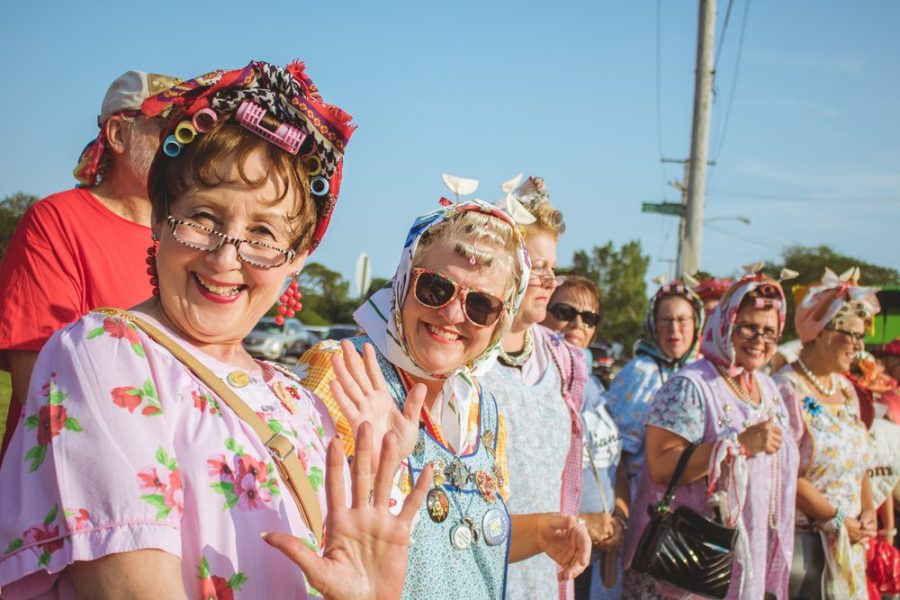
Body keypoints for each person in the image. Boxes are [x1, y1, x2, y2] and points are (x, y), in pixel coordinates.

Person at [0, 60, 433, 599]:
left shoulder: (301, 403)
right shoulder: (106, 351)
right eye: (203, 218)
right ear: (160, 220)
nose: (227, 255)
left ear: (298, 257)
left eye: (264, 233)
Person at [298, 194, 591, 599]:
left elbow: (464, 542)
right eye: (435, 288)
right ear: (403, 279)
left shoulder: (483, 410)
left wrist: (539, 532)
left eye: (481, 304)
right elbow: (305, 528)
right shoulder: (346, 369)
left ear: (500, 321)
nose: (453, 315)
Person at [0, 70, 181, 460]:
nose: (182, 149)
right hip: (63, 484)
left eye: (190, 134)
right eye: (168, 130)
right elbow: (38, 382)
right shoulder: (55, 220)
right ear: (118, 134)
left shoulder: (185, 237)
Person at [621, 271, 799, 599]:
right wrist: (738, 445)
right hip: (684, 565)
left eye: (769, 331)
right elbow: (661, 465)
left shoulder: (768, 388)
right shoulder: (690, 385)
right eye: (748, 327)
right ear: (726, 322)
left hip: (741, 558)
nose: (759, 339)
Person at [477, 175, 591, 600]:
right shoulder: (466, 355)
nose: (549, 280)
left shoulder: (566, 362)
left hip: (542, 577)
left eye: (552, 269)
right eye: (536, 266)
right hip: (477, 569)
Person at [775, 267, 881, 598]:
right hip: (803, 548)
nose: (858, 347)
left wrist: (868, 510)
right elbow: (786, 472)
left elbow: (858, 459)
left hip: (847, 545)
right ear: (819, 332)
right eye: (850, 334)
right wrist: (835, 518)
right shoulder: (786, 389)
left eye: (861, 336)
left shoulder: (846, 390)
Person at [543, 275, 629, 600]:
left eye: (590, 317)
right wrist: (578, 521)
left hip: (598, 558)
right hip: (552, 554)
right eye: (565, 311)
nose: (578, 323)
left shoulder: (593, 385)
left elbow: (615, 463)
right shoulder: (536, 384)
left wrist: (619, 518)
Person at [605, 280, 703, 499]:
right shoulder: (639, 373)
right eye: (665, 320)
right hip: (641, 501)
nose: (674, 329)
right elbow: (613, 453)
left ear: (696, 323)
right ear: (652, 324)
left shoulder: (704, 374)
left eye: (682, 320)